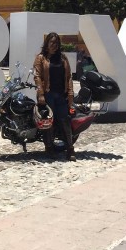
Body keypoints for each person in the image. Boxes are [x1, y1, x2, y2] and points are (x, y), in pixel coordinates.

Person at [33, 32, 76, 161]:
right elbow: (37, 76)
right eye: (52, 42)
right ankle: (49, 148)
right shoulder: (41, 58)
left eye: (56, 43)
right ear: (47, 43)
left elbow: (69, 77)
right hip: (48, 95)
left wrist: (70, 93)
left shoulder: (63, 58)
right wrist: (41, 94)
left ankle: (70, 149)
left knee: (65, 120)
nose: (54, 45)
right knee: (48, 122)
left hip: (61, 95)